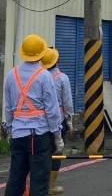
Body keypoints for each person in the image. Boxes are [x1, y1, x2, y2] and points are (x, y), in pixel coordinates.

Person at [4, 34, 64, 196]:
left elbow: (8, 108)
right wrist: (57, 136)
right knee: (39, 181)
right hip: (38, 136)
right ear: (41, 53)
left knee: (16, 179)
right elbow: (52, 111)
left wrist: (10, 130)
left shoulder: (11, 75)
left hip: (18, 134)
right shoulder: (44, 76)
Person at [41, 47, 73, 195]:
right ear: (57, 61)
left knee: (42, 153)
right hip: (58, 121)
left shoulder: (39, 77)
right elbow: (67, 102)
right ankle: (52, 186)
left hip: (41, 122)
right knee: (57, 152)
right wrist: (69, 119)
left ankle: (40, 184)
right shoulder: (62, 78)